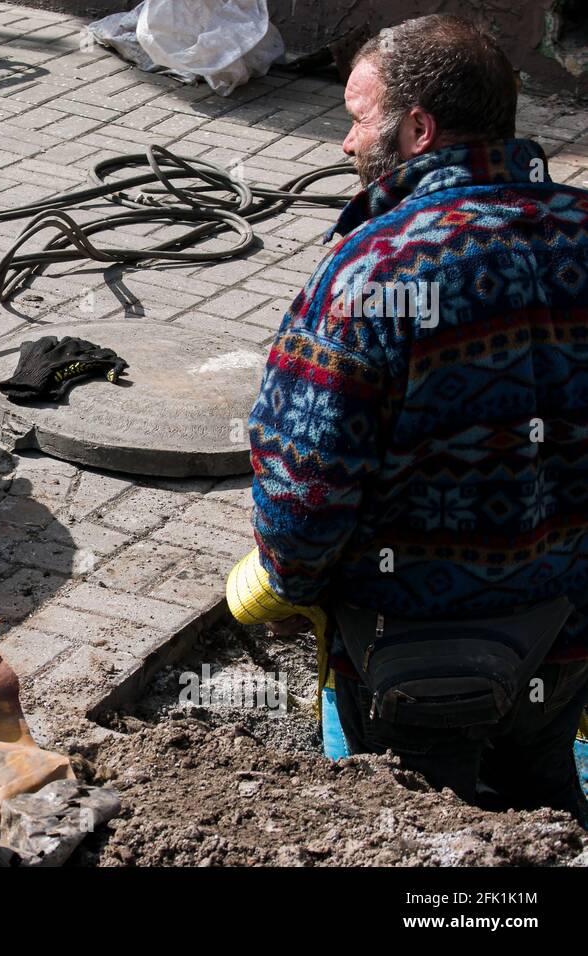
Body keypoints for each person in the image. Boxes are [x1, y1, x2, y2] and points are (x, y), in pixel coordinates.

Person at [247, 15, 588, 824]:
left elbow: (307, 486)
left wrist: (288, 583)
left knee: (414, 832)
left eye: (358, 117)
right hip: (569, 634)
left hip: (418, 653)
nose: (344, 143)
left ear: (417, 129)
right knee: (541, 808)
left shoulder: (376, 270)